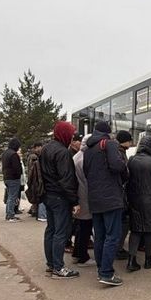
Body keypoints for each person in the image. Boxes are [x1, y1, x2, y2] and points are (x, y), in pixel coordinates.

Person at [84, 121, 128, 286]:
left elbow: (86, 172)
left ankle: (100, 270)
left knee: (100, 236)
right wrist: (124, 166)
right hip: (110, 198)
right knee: (113, 236)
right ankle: (107, 273)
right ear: (108, 133)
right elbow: (117, 165)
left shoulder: (88, 150)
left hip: (94, 198)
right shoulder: (108, 144)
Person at [40, 121, 80, 279]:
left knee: (50, 229)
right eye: (70, 134)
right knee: (60, 232)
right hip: (60, 196)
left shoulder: (47, 148)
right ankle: (58, 267)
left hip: (48, 194)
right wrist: (74, 201)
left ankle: (51, 264)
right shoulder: (62, 152)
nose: (71, 137)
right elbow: (66, 180)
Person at [125, 135, 151, 271]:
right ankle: (148, 260)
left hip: (134, 200)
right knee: (149, 230)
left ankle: (131, 261)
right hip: (150, 201)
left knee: (136, 230)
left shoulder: (131, 160)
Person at [72, 134, 95, 267]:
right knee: (85, 227)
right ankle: (83, 257)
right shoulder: (85, 158)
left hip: (79, 195)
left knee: (81, 226)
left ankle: (77, 253)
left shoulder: (77, 156)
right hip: (85, 196)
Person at [114, 130, 134, 260]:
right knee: (123, 221)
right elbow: (124, 173)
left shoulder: (119, 152)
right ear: (124, 141)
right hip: (120, 194)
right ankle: (118, 249)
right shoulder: (119, 153)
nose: (131, 142)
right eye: (129, 140)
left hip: (117, 193)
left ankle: (117, 247)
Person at [1, 138, 23, 222]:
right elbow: (16, 168)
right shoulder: (13, 154)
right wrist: (19, 174)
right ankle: (10, 215)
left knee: (10, 196)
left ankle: (9, 213)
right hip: (13, 178)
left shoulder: (5, 153)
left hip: (6, 177)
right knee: (12, 197)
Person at [25, 142, 46, 222]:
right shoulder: (34, 157)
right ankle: (35, 210)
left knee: (35, 194)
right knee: (37, 194)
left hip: (33, 178)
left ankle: (33, 209)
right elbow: (34, 169)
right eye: (40, 147)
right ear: (36, 147)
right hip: (35, 178)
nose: (41, 149)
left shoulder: (31, 155)